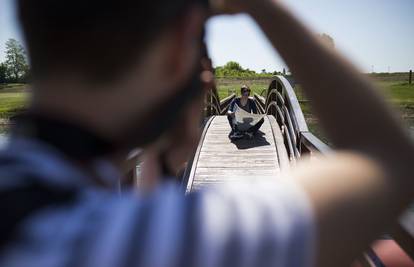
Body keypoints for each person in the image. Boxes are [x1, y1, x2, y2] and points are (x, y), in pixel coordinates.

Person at [0, 1, 413, 267]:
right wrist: (263, 9)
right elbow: (388, 160)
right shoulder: (154, 243)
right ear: (181, 48)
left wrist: (159, 169)